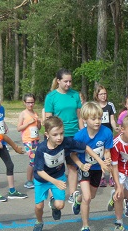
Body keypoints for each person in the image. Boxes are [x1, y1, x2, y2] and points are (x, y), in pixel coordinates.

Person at [31, 116, 106, 231]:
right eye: (55, 134)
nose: (59, 137)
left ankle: (54, 206)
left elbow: (85, 147)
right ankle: (39, 222)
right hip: (42, 179)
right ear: (47, 134)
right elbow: (39, 171)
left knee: (60, 205)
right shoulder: (41, 149)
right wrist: (55, 182)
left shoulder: (65, 142)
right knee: (39, 206)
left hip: (58, 176)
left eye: (61, 133)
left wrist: (100, 161)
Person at [69, 102, 113, 231]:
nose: (97, 121)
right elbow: (72, 155)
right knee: (88, 198)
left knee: (90, 196)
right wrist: (81, 165)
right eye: (94, 119)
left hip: (97, 170)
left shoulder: (106, 132)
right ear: (85, 119)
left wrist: (107, 160)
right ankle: (85, 227)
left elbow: (107, 151)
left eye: (99, 118)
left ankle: (78, 199)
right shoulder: (79, 136)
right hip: (85, 169)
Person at [44, 68, 83, 205]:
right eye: (65, 81)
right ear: (58, 81)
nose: (68, 84)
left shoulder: (75, 95)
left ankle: (72, 194)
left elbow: (79, 116)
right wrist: (51, 137)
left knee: (73, 166)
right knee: (54, 167)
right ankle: (53, 195)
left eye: (70, 81)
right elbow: (48, 119)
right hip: (57, 137)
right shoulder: (51, 97)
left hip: (73, 135)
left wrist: (82, 133)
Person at [0, 94, 28, 201]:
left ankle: (12, 191)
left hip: (2, 142)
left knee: (10, 165)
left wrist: (5, 126)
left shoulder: (1, 109)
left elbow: (1, 121)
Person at [93, 85, 117, 187]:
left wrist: (116, 128)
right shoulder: (95, 106)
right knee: (100, 154)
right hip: (98, 133)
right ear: (97, 95)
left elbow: (112, 120)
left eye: (105, 93)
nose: (103, 96)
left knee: (109, 154)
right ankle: (102, 177)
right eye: (101, 94)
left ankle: (111, 176)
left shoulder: (110, 105)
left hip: (108, 133)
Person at [17, 93, 41, 190]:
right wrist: (27, 123)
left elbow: (38, 128)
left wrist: (38, 123)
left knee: (37, 159)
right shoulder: (23, 114)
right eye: (28, 102)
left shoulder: (35, 113)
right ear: (24, 103)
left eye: (32, 102)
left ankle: (35, 179)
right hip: (27, 140)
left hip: (35, 139)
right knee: (33, 159)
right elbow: (19, 128)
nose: (31, 104)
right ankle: (29, 180)